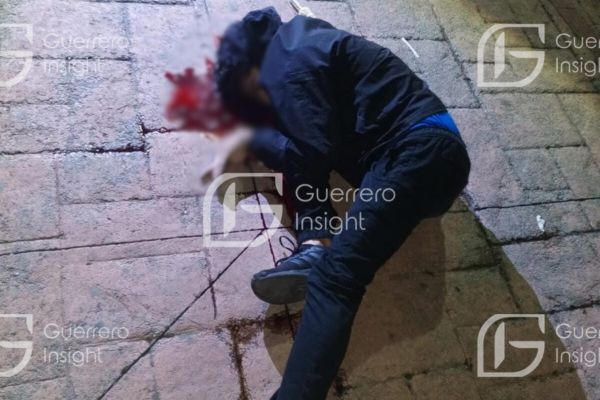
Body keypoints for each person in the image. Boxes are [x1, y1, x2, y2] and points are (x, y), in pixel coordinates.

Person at [214, 7, 470, 400]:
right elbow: (314, 144)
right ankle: (316, 243)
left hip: (420, 154)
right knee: (302, 151)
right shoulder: (301, 44)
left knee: (336, 280)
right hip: (417, 163)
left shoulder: (285, 59)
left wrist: (253, 135)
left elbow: (310, 151)